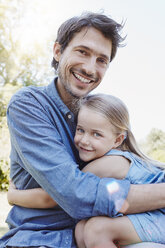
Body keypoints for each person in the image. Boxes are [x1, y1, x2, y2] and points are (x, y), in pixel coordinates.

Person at [1, 11, 165, 248]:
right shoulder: (29, 105)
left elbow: (79, 191)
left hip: (98, 234)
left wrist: (14, 195)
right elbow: (73, 192)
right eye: (82, 52)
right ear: (58, 51)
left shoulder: (98, 114)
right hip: (42, 238)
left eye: (102, 60)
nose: (90, 68)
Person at [7, 94, 165, 247]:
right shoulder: (106, 158)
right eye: (81, 130)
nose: (84, 140)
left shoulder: (110, 163)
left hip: (161, 217)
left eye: (96, 134)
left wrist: (14, 196)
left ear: (117, 140)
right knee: (82, 229)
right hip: (152, 216)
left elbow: (56, 196)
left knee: (96, 230)